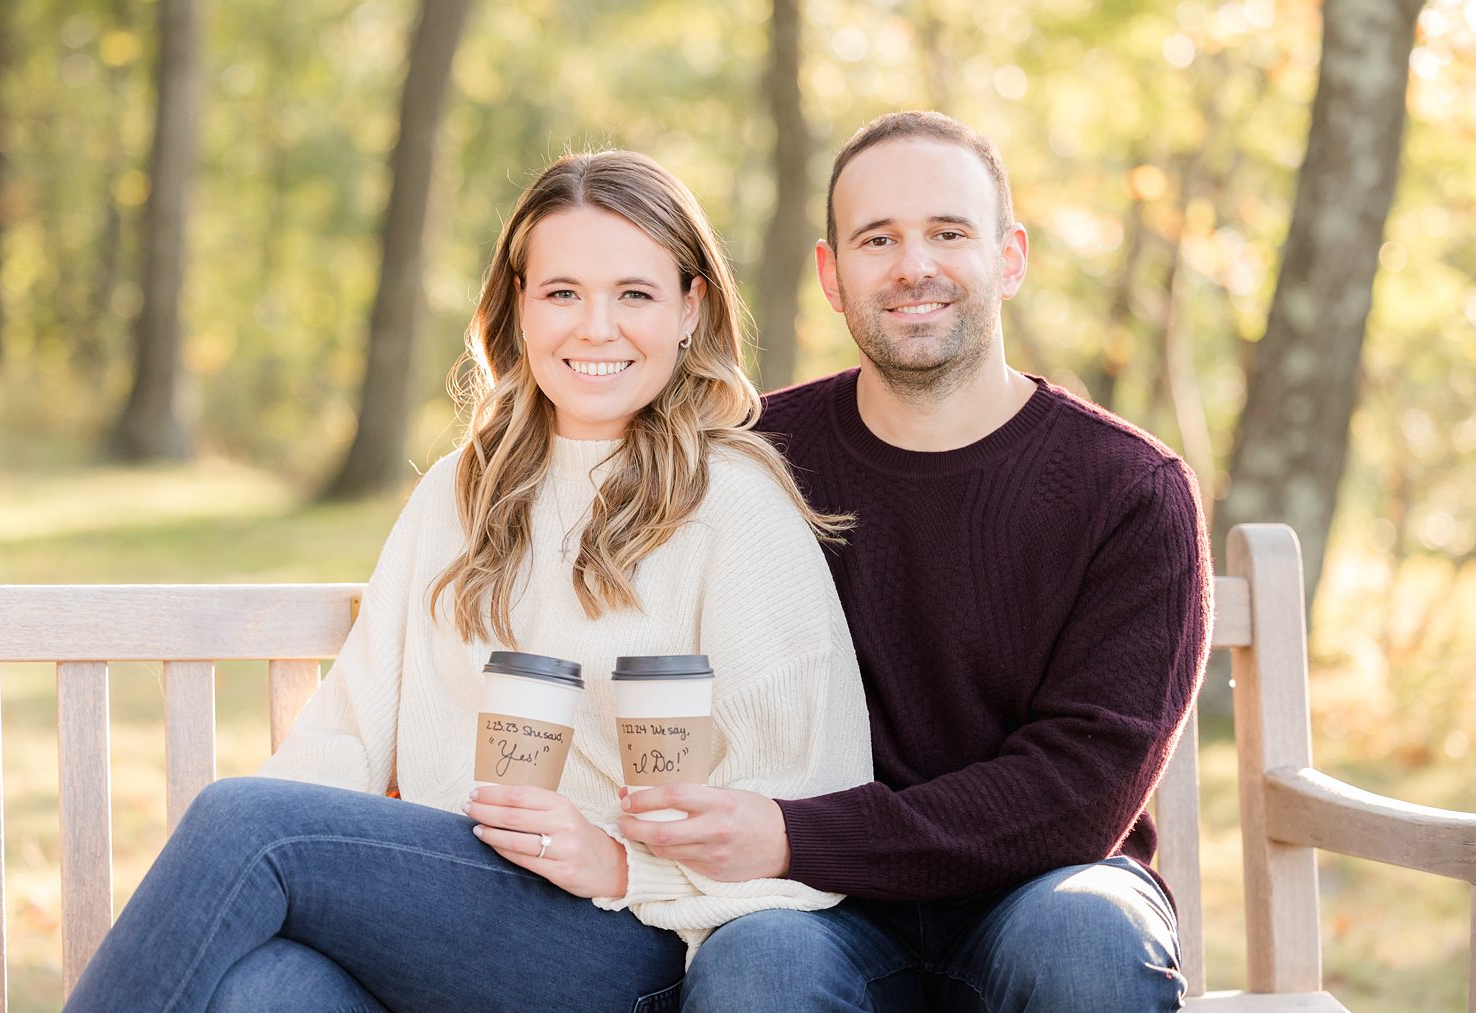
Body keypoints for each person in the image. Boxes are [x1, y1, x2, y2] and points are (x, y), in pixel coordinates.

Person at [65, 150, 873, 1013]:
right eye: (562, 292)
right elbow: (346, 735)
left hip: (641, 945)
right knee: (268, 988)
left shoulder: (737, 503)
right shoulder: (461, 492)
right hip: (460, 913)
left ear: (690, 308)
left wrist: (623, 861)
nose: (596, 327)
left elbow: (801, 795)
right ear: (517, 309)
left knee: (244, 824)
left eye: (633, 293)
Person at [617, 111, 1212, 1011]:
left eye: (948, 232)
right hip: (818, 908)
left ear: (1009, 258)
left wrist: (793, 834)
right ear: (831, 274)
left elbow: (1077, 794)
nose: (913, 266)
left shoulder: (1129, 489)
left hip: (1040, 890)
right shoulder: (749, 459)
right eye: (878, 238)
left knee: (1090, 935)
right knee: (759, 966)